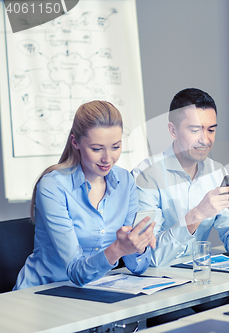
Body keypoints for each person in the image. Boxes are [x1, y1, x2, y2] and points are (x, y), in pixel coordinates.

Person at [15, 101, 156, 290]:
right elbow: (76, 272)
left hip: (95, 291)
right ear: (75, 142)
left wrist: (139, 246)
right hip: (44, 293)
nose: (108, 158)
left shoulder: (125, 181)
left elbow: (137, 267)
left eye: (115, 147)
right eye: (97, 149)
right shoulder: (53, 186)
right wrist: (118, 249)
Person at [132, 88, 229, 267]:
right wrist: (197, 214)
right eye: (195, 130)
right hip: (159, 283)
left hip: (200, 278)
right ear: (173, 131)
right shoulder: (146, 176)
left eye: (211, 130)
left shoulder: (218, 172)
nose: (205, 140)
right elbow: (149, 258)